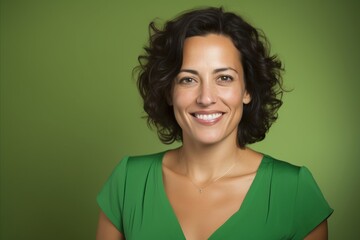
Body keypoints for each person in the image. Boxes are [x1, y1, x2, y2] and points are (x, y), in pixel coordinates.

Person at [96, 7, 333, 240]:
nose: (206, 98)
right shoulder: (129, 181)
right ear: (169, 91)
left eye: (224, 78)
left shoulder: (294, 191)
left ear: (247, 90)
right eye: (188, 79)